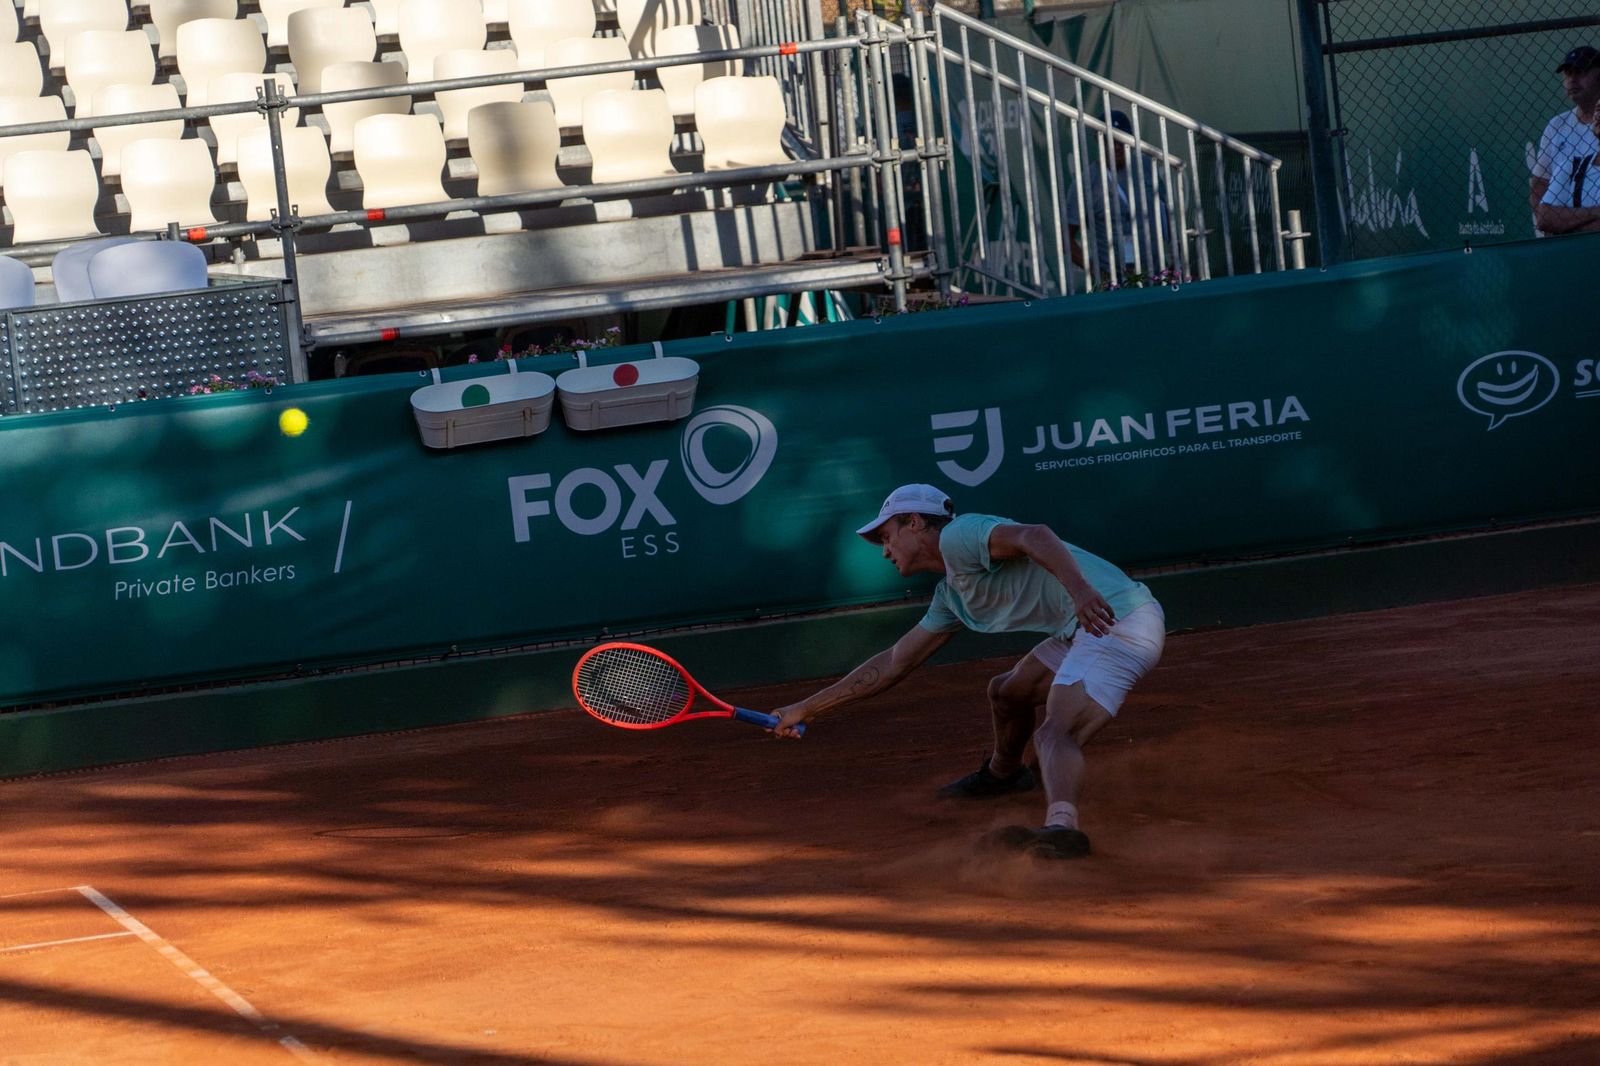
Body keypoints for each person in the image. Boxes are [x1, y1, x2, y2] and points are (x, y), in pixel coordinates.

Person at [772, 484, 1166, 860]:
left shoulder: (959, 535)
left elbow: (1036, 535)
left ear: (914, 522)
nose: (884, 551)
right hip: (1080, 628)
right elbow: (895, 662)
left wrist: (1080, 592)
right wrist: (806, 708)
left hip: (1116, 620)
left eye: (885, 535)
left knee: (1053, 732)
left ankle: (1063, 826)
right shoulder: (952, 596)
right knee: (1006, 692)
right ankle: (1004, 776)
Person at [1064, 110, 1173, 290]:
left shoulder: (1146, 166)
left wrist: (1175, 256)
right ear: (1098, 141)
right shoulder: (1086, 182)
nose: (1115, 146)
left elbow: (1165, 212)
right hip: (1114, 281)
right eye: (1108, 140)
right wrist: (1094, 270)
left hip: (1155, 275)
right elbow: (1066, 239)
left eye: (1120, 139)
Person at [1533, 46, 1600, 236]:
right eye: (1568, 73)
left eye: (1580, 72)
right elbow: (1540, 185)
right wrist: (1559, 226)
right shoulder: (1556, 126)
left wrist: (1567, 224)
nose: (1572, 79)